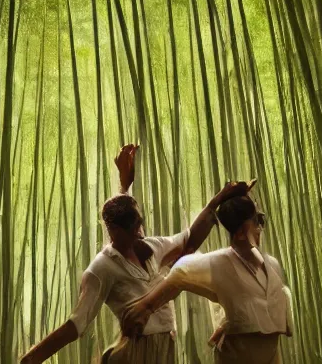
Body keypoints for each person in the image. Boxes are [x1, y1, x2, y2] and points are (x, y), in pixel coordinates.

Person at [19, 143, 254, 364]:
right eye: (133, 229)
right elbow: (77, 323)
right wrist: (32, 358)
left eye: (140, 224)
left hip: (165, 346)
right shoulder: (101, 269)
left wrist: (221, 198)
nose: (140, 233)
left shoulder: (151, 246)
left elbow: (190, 238)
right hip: (137, 350)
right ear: (114, 232)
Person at [122, 194, 293, 364]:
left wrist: (225, 322)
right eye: (256, 221)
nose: (259, 228)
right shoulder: (219, 262)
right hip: (237, 356)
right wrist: (146, 307)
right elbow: (182, 272)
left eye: (261, 220)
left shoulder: (272, 264)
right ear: (240, 232)